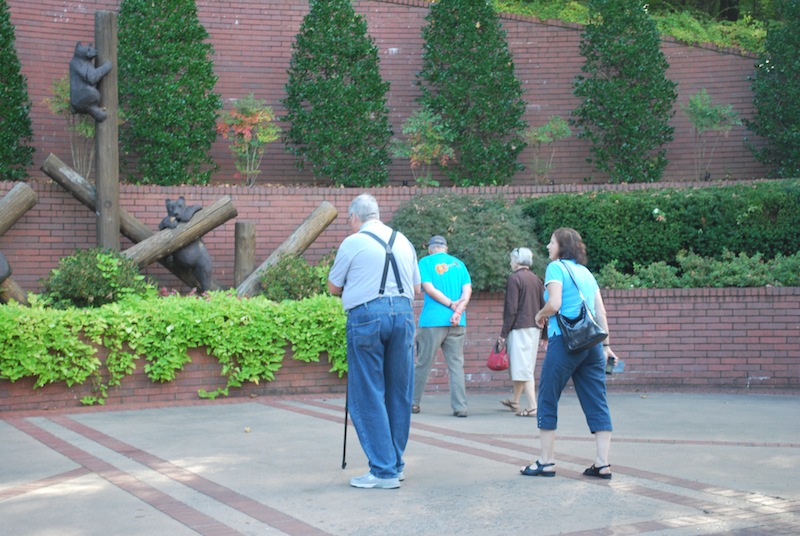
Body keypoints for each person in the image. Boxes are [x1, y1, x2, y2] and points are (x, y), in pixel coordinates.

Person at [327, 193, 421, 490]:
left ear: (356, 216)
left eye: (348, 219)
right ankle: (395, 463)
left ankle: (383, 471)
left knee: (367, 392)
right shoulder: (404, 241)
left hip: (367, 316)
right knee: (399, 392)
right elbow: (416, 288)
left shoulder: (353, 243)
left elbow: (333, 287)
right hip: (404, 315)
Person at [522, 227, 619, 479]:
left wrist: (539, 314)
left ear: (562, 245)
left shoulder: (556, 268)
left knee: (547, 397)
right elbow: (601, 312)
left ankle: (546, 461)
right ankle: (602, 463)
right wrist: (606, 346)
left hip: (565, 343)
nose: (547, 246)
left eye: (551, 242)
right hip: (593, 345)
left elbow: (554, 304)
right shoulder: (586, 272)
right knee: (597, 400)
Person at [412, 235, 473, 418]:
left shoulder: (425, 262)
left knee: (423, 363)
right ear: (445, 248)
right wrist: (459, 309)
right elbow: (467, 290)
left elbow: (429, 288)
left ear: (431, 249)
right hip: (458, 321)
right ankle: (460, 407)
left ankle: (413, 403)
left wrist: (450, 304)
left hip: (432, 321)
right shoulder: (459, 264)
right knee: (456, 365)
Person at [497, 247, 545, 418]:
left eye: (512, 259)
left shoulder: (514, 279)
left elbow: (511, 309)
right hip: (534, 329)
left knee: (523, 368)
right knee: (523, 365)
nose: (510, 262)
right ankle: (515, 401)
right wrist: (544, 335)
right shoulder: (537, 280)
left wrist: (503, 334)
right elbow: (543, 307)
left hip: (519, 328)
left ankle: (533, 407)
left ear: (517, 261)